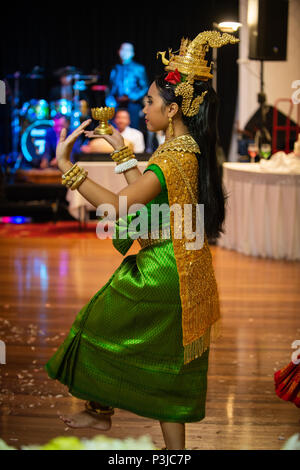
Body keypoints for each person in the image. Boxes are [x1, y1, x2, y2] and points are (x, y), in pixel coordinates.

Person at [44, 31, 238, 450]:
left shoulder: (172, 154)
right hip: (187, 269)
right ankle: (173, 456)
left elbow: (118, 206)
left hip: (163, 269)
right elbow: (152, 201)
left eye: (149, 101)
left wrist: (67, 167)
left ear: (172, 109)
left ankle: (98, 412)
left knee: (95, 322)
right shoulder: (188, 149)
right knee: (170, 371)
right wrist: (122, 153)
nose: (142, 107)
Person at [105, 43, 148, 130]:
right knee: (115, 127)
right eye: (122, 50)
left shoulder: (139, 68)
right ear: (118, 52)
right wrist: (111, 101)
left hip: (132, 103)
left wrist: (132, 97)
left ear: (132, 53)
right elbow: (110, 87)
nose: (124, 53)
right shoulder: (115, 68)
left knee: (133, 127)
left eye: (128, 50)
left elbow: (145, 87)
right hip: (117, 103)